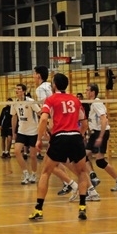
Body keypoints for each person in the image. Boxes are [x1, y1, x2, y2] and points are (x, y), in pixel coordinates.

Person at [28, 73, 90, 221]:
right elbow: (85, 124)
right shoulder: (75, 100)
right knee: (82, 172)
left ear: (54, 85)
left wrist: (39, 139)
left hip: (60, 137)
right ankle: (82, 207)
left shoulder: (50, 100)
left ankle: (38, 209)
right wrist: (79, 136)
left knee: (45, 172)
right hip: (75, 137)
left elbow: (44, 119)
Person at [33, 65, 78, 198]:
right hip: (66, 126)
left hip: (57, 127)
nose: (33, 76)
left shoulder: (40, 89)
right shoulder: (50, 86)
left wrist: (46, 127)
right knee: (59, 161)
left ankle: (80, 185)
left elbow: (47, 110)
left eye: (34, 74)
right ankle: (73, 184)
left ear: (38, 75)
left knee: (50, 165)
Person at [85, 83, 117, 193]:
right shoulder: (92, 103)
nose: (86, 92)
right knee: (83, 156)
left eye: (87, 90)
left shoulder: (96, 102)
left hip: (100, 133)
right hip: (95, 133)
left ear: (93, 92)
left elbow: (104, 119)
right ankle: (93, 177)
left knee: (100, 161)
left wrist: (101, 136)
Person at [11, 84, 40, 184]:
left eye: (19, 89)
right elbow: (14, 117)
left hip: (33, 131)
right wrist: (13, 132)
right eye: (16, 89)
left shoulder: (31, 101)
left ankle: (34, 174)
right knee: (17, 151)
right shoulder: (14, 103)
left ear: (23, 91)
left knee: (33, 156)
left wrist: (44, 127)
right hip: (21, 131)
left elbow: (39, 112)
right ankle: (26, 173)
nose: (16, 90)